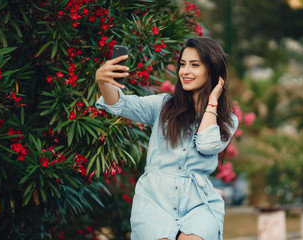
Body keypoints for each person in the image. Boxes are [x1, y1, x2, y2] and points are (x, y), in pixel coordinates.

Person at [95, 37, 238, 240]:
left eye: (194, 65)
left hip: (198, 203)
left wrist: (212, 101)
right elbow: (120, 104)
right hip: (155, 201)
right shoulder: (163, 105)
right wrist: (102, 81)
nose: (185, 71)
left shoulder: (227, 119)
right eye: (182, 64)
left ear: (213, 70)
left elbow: (206, 144)